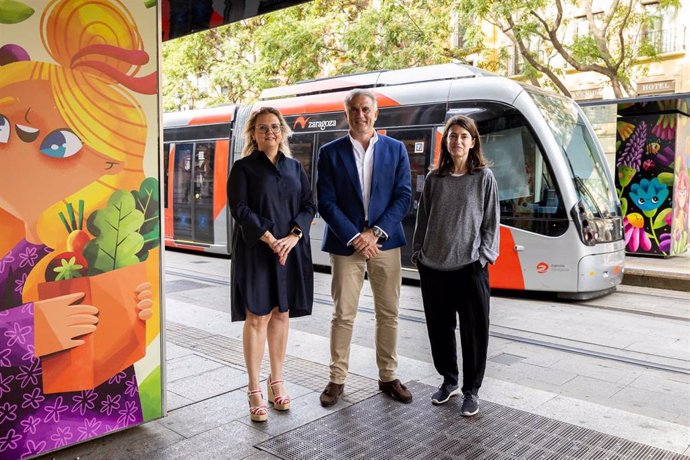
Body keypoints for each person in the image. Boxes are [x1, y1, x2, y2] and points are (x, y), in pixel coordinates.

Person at [0, 1, 157, 457]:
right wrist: (28, 331)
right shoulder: (16, 257)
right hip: (23, 432)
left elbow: (117, 346)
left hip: (106, 417)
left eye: (57, 143)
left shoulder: (80, 245)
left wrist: (134, 307)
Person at [316, 89, 412, 407]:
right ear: (347, 114)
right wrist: (356, 236)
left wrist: (375, 233)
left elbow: (403, 196)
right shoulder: (330, 152)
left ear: (376, 113)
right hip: (347, 245)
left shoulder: (396, 150)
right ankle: (336, 380)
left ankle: (388, 376)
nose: (361, 114)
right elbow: (326, 202)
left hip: (386, 243)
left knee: (389, 313)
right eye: (354, 109)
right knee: (343, 315)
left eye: (366, 109)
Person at [227, 107, 316, 422]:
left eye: (275, 127)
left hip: (289, 252)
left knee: (282, 314)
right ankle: (254, 388)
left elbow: (308, 204)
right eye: (263, 128)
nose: (270, 133)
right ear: (253, 133)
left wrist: (292, 237)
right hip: (257, 251)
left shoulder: (294, 168)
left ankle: (276, 380)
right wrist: (269, 237)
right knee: (257, 317)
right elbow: (239, 207)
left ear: (283, 131)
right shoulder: (243, 168)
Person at [412, 115, 499, 416]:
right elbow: (423, 219)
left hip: (470, 267)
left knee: (474, 331)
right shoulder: (435, 179)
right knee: (439, 328)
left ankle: (471, 391)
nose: (457, 141)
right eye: (452, 136)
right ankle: (449, 380)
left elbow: (491, 223)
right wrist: (418, 253)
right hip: (433, 266)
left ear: (473, 142)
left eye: (463, 136)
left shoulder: (484, 178)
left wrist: (484, 257)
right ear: (445, 142)